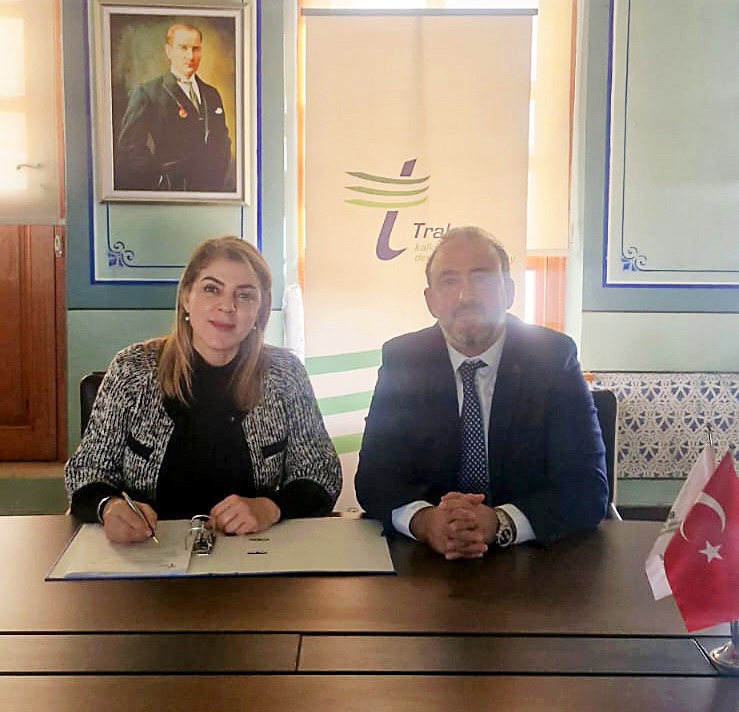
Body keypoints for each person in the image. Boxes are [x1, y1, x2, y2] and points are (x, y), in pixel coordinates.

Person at [65, 236, 341, 543]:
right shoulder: (132, 369)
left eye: (245, 295)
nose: (227, 306)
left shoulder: (286, 374)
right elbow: (86, 471)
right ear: (186, 297)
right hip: (148, 551)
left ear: (259, 311)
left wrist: (272, 507)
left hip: (254, 552)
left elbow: (321, 472)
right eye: (212, 289)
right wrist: (109, 506)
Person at [355, 226, 608, 559]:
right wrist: (425, 522)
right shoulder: (403, 360)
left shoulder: (551, 358)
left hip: (533, 561)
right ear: (430, 301)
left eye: (482, 278)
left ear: (509, 291)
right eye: (449, 281)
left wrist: (500, 522)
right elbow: (374, 478)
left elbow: (587, 487)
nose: (466, 296)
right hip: (428, 563)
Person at [115, 23, 233, 192]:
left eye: (196, 49)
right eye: (183, 48)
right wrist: (161, 181)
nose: (190, 56)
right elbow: (129, 148)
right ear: (169, 51)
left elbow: (223, 141)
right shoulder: (148, 93)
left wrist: (215, 180)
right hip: (172, 191)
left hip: (209, 192)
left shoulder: (212, 93)